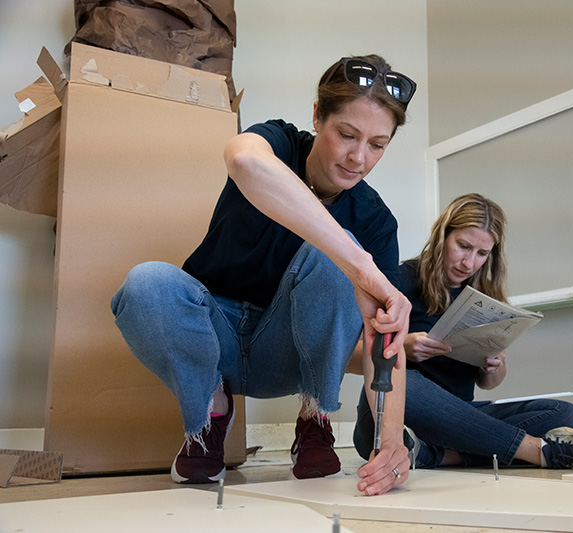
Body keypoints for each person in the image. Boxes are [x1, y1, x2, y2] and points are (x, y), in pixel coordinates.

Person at [111, 55, 416, 496]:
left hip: (290, 354)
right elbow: (246, 162)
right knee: (145, 284)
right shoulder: (277, 142)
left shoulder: (376, 220)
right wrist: (362, 267)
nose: (358, 157)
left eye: (377, 144)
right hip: (213, 339)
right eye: (346, 135)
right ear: (316, 116)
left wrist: (391, 444)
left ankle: (315, 419)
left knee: (335, 252)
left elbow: (381, 342)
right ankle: (210, 415)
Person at [353, 193, 573, 470]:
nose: (469, 263)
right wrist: (403, 349)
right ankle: (538, 452)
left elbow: (489, 383)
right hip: (395, 415)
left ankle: (437, 454)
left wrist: (493, 366)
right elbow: (352, 356)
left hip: (461, 418)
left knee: (566, 415)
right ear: (442, 237)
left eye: (482, 253)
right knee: (406, 384)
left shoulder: (482, 299)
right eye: (463, 246)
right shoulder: (399, 280)